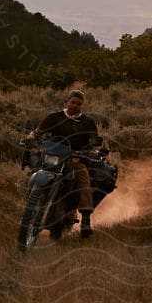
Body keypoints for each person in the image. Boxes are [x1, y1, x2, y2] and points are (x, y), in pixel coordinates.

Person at [31, 89, 102, 238]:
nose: (75, 106)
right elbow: (38, 132)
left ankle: (86, 219)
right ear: (67, 101)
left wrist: (94, 150)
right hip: (53, 157)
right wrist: (31, 139)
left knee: (83, 179)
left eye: (79, 104)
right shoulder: (54, 117)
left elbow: (95, 142)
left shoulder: (87, 122)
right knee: (34, 173)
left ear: (82, 105)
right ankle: (30, 208)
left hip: (74, 159)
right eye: (73, 102)